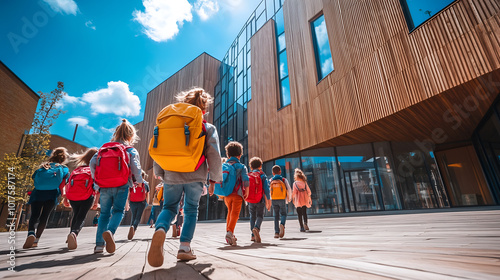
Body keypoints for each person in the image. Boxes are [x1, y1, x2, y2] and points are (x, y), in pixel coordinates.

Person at [148, 87, 222, 266]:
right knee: (190, 210)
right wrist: (214, 179)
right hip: (195, 174)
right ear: (204, 108)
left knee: (169, 207)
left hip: (171, 174)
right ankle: (185, 248)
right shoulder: (207, 126)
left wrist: (159, 172)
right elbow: (214, 154)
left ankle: (160, 229)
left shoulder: (170, 123)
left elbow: (160, 148)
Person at [90, 119, 143, 254]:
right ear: (131, 136)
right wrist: (140, 180)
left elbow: (92, 162)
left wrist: (96, 180)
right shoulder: (130, 149)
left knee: (104, 214)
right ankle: (110, 232)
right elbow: (136, 167)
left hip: (104, 185)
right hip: (122, 183)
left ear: (116, 133)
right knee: (119, 211)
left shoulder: (104, 148)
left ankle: (99, 246)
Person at [23, 147, 70, 249]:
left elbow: (34, 177)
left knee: (34, 215)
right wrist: (64, 196)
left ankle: (31, 233)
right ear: (63, 158)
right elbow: (63, 184)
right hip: (52, 194)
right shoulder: (64, 168)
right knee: (44, 216)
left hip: (38, 193)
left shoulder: (44, 166)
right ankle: (36, 240)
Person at [62, 147, 99, 250]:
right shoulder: (94, 170)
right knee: (81, 216)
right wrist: (96, 201)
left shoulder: (78, 169)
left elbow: (68, 184)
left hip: (73, 197)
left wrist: (66, 198)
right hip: (87, 196)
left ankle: (71, 234)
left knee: (76, 215)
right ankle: (74, 233)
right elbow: (96, 187)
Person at [223, 141, 249, 246]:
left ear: (228, 154)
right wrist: (246, 192)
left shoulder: (224, 165)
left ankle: (229, 233)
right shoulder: (241, 166)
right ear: (240, 155)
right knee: (235, 214)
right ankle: (230, 232)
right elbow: (245, 180)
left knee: (229, 213)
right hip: (237, 194)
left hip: (226, 194)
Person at [246, 157, 270, 243]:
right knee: (260, 216)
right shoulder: (262, 175)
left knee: (252, 216)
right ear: (260, 166)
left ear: (251, 167)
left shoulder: (248, 175)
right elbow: (266, 189)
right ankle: (257, 228)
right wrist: (269, 200)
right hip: (260, 199)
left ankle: (252, 235)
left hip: (250, 200)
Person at [269, 165, 292, 239]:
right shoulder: (284, 179)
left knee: (276, 216)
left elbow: (268, 190)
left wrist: (269, 199)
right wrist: (289, 199)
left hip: (274, 199)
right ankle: (282, 224)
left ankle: (276, 232)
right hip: (282, 199)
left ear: (273, 173)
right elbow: (289, 189)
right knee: (284, 214)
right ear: (280, 171)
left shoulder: (271, 180)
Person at [128, 170, 150, 240]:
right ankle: (133, 228)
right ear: (143, 176)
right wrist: (147, 202)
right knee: (138, 217)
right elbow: (147, 194)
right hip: (141, 202)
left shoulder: (133, 182)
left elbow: (129, 192)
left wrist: (128, 201)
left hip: (132, 201)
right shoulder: (145, 183)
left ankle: (131, 228)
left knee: (133, 216)